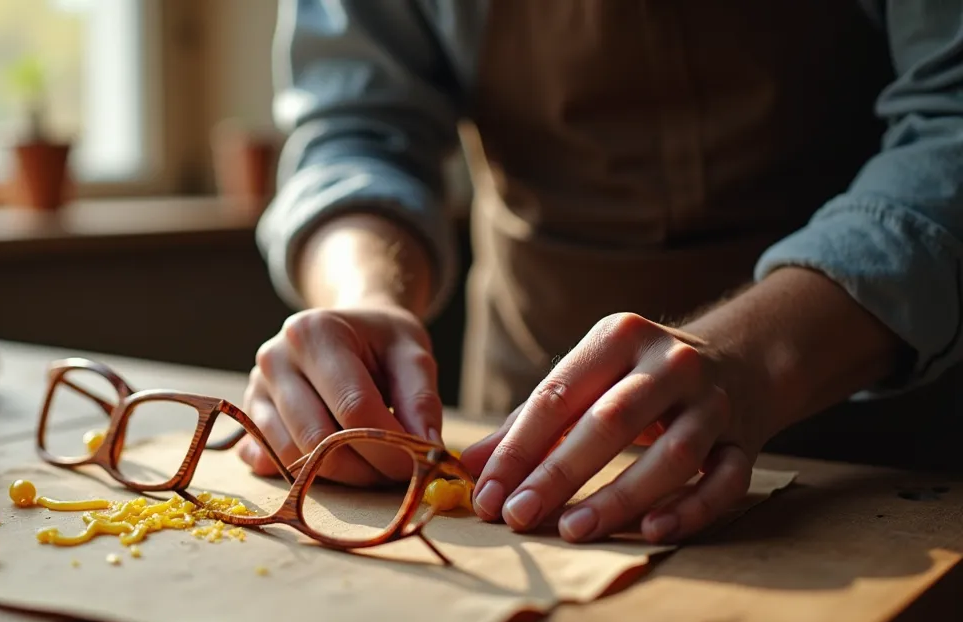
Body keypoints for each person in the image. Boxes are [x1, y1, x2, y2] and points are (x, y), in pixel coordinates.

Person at [238, 0, 963, 546]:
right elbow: (357, 130)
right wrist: (364, 296)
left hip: (886, 433)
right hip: (520, 421)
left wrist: (758, 356)